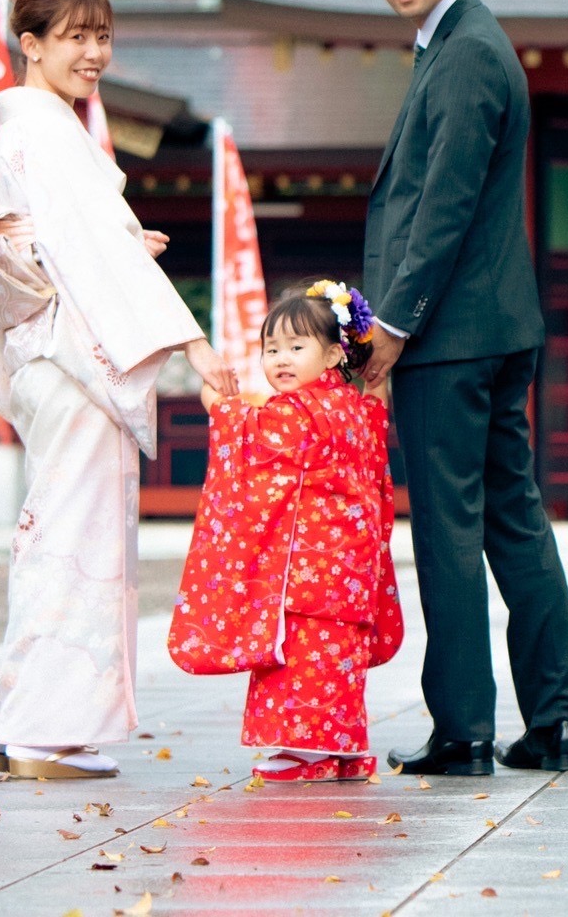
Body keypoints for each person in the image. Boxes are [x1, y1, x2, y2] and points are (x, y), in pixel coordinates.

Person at [0, 0, 230, 781]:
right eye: (74, 36)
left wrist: (108, 250)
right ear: (29, 45)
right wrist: (195, 347)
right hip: (72, 369)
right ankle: (44, 734)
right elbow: (92, 251)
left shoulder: (25, 135)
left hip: (47, 362)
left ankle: (5, 725)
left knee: (49, 537)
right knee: (76, 542)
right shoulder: (47, 136)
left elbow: (69, 247)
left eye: (101, 35)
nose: (93, 53)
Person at [356, 0, 568, 776]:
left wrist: (393, 326)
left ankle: (464, 730)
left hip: (448, 336)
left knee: (450, 528)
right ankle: (554, 719)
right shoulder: (463, 46)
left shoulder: (464, 54)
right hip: (492, 326)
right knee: (515, 521)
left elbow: (441, 208)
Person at [168, 280, 404, 782]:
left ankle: (308, 753)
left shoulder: (298, 411)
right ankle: (345, 749)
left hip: (310, 570)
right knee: (339, 662)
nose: (280, 359)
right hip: (353, 570)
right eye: (270, 348)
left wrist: (216, 398)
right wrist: (376, 378)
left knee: (303, 658)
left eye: (296, 348)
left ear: (334, 355)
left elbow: (249, 435)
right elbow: (378, 405)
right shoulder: (357, 411)